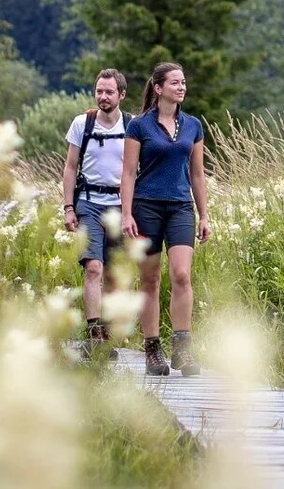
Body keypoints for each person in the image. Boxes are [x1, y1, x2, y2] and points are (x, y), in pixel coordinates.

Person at [119, 62, 211, 376]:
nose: (181, 87)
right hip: (146, 207)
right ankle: (152, 349)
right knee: (150, 279)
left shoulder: (193, 125)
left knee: (182, 275)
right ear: (158, 88)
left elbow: (198, 175)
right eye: (175, 82)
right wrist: (127, 213)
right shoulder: (139, 126)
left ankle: (182, 350)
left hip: (181, 206)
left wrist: (204, 215)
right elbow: (129, 173)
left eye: (183, 82)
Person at [62, 69, 132, 361]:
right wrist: (68, 207)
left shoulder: (132, 126)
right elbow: (70, 166)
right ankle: (94, 334)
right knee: (94, 268)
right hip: (89, 202)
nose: (103, 97)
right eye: (99, 91)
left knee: (114, 275)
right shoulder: (82, 124)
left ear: (121, 95)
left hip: (119, 205)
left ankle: (109, 334)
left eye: (109, 92)